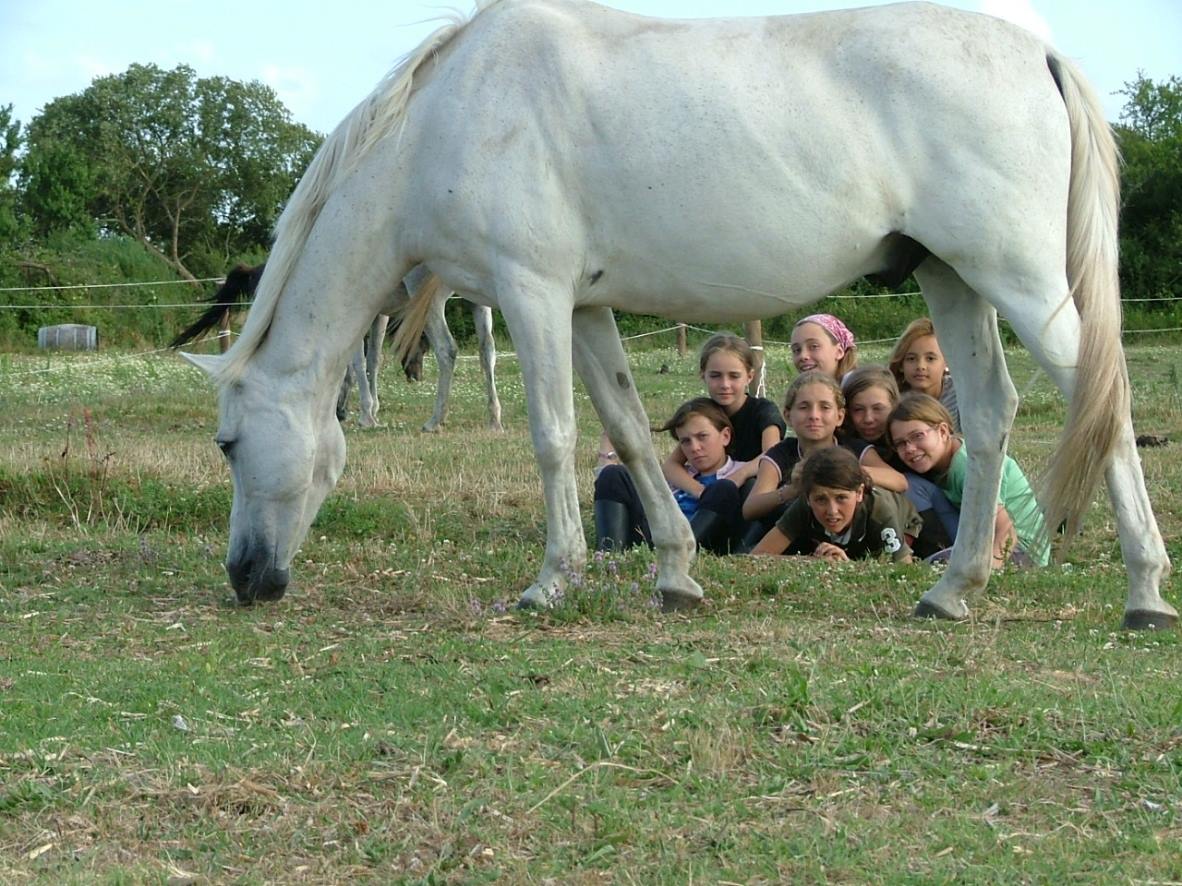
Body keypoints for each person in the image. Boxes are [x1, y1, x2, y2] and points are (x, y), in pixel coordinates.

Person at [887, 393, 1049, 566]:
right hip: (983, 538)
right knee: (913, 484)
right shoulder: (940, 463)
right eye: (901, 443)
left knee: (931, 567)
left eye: (918, 436)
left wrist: (987, 571)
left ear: (943, 431)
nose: (910, 448)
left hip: (1020, 550)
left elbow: (1006, 531)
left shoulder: (970, 464)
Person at [594, 398, 748, 554]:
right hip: (655, 535)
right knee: (614, 473)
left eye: (702, 436)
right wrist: (608, 443)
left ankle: (680, 552)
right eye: (685, 441)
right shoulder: (677, 474)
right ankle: (610, 554)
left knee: (724, 488)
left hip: (703, 540)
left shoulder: (740, 472)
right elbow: (609, 486)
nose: (694, 448)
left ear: (725, 436)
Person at [842, 365, 954, 557]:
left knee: (911, 484)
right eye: (858, 409)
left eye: (878, 408)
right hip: (895, 523)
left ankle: (938, 551)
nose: (868, 418)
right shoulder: (849, 444)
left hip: (942, 518)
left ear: (894, 405)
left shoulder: (912, 441)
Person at [741, 371, 867, 532]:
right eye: (804, 407)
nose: (814, 415)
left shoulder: (852, 447)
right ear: (787, 416)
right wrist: (791, 490)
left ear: (840, 416)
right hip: (794, 535)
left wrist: (846, 471)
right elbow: (749, 509)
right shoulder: (781, 453)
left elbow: (896, 480)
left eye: (825, 407)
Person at [750, 447, 921, 563]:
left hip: (906, 525)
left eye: (841, 498)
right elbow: (757, 556)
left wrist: (850, 566)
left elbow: (902, 569)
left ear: (859, 493)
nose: (832, 511)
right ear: (808, 498)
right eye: (821, 500)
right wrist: (810, 561)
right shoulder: (804, 505)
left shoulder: (880, 510)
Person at [888, 317, 960, 431]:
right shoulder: (895, 402)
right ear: (901, 364)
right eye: (911, 359)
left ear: (946, 362)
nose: (920, 366)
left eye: (930, 358)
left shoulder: (960, 395)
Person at [790, 313, 859, 381]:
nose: (803, 356)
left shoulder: (858, 387)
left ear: (839, 352)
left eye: (814, 346)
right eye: (797, 350)